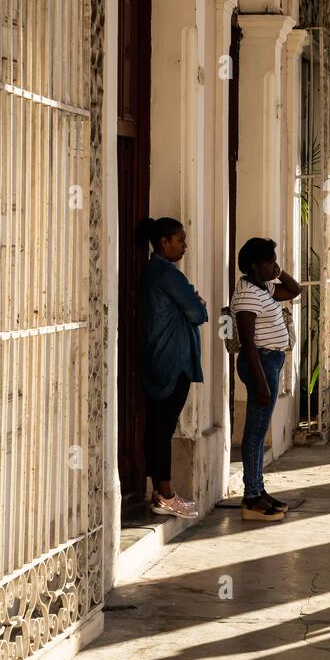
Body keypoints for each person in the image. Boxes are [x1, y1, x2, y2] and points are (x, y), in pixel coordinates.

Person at [137, 216, 208, 519]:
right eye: (180, 240)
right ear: (164, 243)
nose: (185, 246)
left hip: (160, 358)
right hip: (172, 361)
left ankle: (162, 490)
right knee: (162, 428)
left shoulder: (156, 273)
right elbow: (197, 312)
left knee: (159, 426)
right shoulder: (168, 274)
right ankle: (165, 494)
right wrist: (196, 302)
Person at [232, 238, 301, 522]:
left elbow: (294, 290)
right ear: (254, 266)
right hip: (259, 363)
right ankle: (251, 497)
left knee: (260, 432)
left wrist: (279, 271)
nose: (274, 265)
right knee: (255, 432)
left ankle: (258, 490)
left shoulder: (264, 288)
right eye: (269, 262)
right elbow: (248, 342)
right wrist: (261, 382)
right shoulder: (247, 294)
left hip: (270, 362)